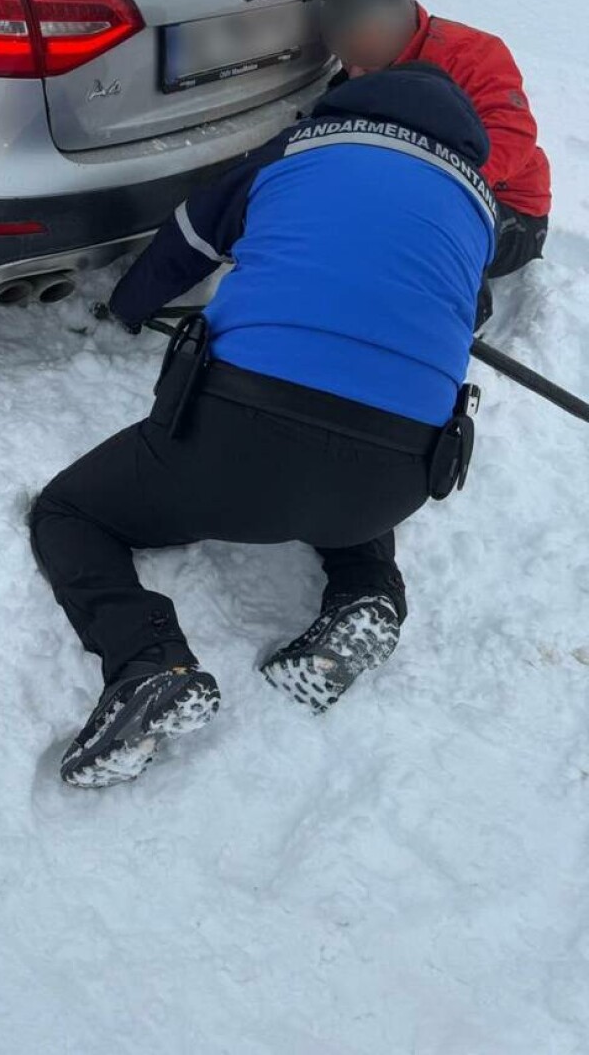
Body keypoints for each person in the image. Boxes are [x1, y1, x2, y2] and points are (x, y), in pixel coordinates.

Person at [30, 64, 496, 789]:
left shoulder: (301, 148)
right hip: (393, 479)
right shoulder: (476, 207)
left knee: (68, 511)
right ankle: (366, 590)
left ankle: (147, 662)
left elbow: (188, 238)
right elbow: (465, 316)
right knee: (366, 413)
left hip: (233, 442)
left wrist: (122, 307)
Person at [320, 0, 549, 310]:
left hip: (511, 209)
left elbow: (513, 134)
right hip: (412, 189)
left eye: (363, 64)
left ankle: (454, 318)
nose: (353, 74)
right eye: (347, 60)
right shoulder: (368, 56)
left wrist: (439, 191)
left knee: (420, 232)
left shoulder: (473, 54)